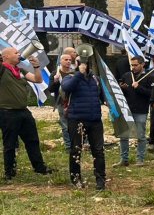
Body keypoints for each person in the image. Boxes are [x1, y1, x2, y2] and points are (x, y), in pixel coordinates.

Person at [0, 47, 53, 181]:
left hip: (23, 111)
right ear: (5, 57)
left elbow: (38, 80)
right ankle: (9, 172)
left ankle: (39, 167)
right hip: (7, 112)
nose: (19, 55)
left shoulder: (20, 71)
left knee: (32, 140)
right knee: (10, 143)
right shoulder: (2, 70)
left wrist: (36, 67)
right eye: (16, 53)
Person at [60, 58, 106, 190]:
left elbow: (102, 95)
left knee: (98, 151)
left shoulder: (95, 79)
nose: (84, 65)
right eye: (80, 62)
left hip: (95, 120)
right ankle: (76, 179)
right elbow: (66, 87)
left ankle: (100, 180)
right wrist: (79, 74)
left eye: (85, 62)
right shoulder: (70, 77)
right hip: (76, 120)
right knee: (76, 150)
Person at [118, 56, 153, 167]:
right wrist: (122, 87)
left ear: (142, 64)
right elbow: (120, 89)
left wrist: (139, 88)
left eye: (136, 65)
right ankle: (124, 159)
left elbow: (151, 93)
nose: (133, 67)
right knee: (124, 135)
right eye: (132, 65)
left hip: (141, 110)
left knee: (140, 136)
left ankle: (140, 159)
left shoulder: (149, 77)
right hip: (127, 109)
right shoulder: (127, 75)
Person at [48, 53, 75, 152]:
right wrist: (55, 80)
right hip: (61, 102)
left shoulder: (74, 73)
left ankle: (77, 144)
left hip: (74, 101)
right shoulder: (55, 73)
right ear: (61, 61)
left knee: (76, 123)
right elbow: (50, 89)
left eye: (69, 60)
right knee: (65, 125)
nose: (68, 61)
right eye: (66, 59)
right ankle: (68, 146)